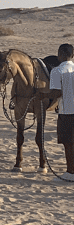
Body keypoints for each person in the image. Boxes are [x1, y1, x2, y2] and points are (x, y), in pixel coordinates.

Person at [48, 43, 74, 181]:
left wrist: (42, 95)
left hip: (67, 112)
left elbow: (57, 92)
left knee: (68, 143)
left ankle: (70, 172)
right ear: (72, 55)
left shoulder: (57, 71)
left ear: (59, 55)